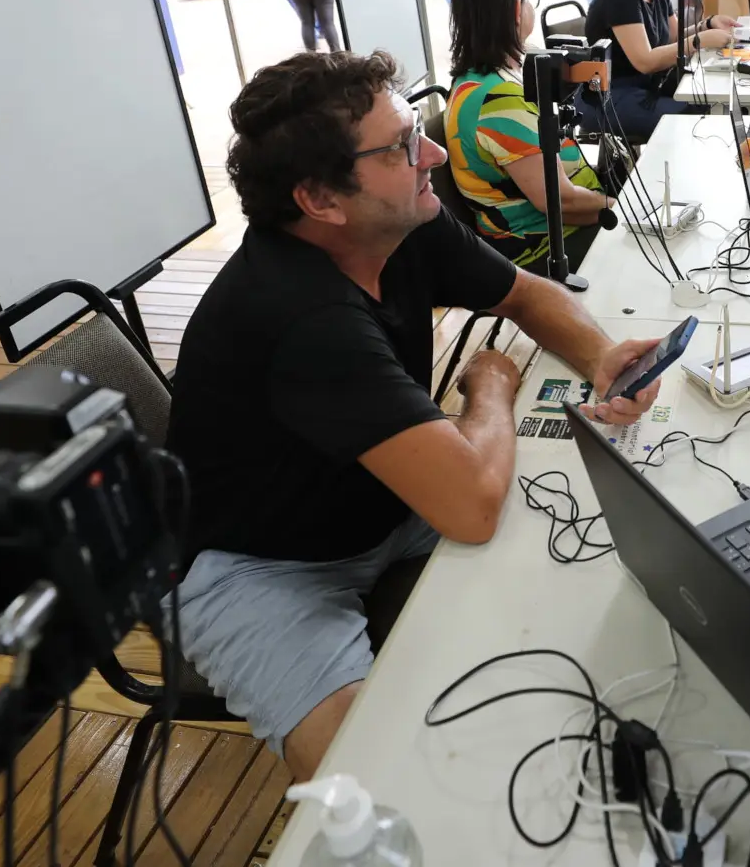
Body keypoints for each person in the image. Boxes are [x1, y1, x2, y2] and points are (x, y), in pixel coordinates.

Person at [166, 49, 663, 782]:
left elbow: (526, 295)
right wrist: (488, 389)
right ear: (320, 200)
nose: (429, 151)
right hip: (261, 569)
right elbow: (471, 505)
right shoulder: (299, 313)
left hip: (378, 502)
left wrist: (600, 356)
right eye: (401, 146)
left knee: (592, 562)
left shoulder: (400, 222)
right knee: (374, 787)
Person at [446, 0, 619, 272]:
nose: (530, 6)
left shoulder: (486, 76)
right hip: (543, 246)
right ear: (515, 10)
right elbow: (559, 202)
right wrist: (621, 210)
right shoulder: (497, 100)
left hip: (564, 223)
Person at [578, 0, 734, 145]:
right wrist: (701, 40)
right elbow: (645, 61)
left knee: (705, 104)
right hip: (609, 96)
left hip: (645, 88)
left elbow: (674, 35)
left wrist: (708, 24)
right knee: (692, 119)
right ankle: (664, 177)